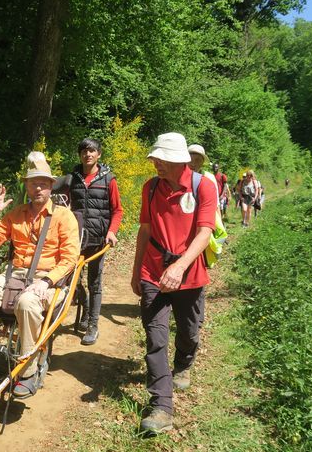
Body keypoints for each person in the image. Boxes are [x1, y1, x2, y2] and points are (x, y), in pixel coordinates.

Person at [0, 152, 80, 398]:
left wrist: (46, 281)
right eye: (33, 183)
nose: (38, 188)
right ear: (26, 186)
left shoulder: (63, 216)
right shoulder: (16, 214)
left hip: (49, 279)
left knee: (27, 302)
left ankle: (26, 370)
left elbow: (70, 259)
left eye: (43, 183)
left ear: (50, 186)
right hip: (13, 275)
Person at [131, 132, 216, 435]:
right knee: (155, 337)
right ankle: (162, 407)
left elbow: (205, 232)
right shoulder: (150, 188)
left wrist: (180, 266)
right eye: (155, 158)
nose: (156, 163)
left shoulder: (203, 186)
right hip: (153, 271)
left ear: (179, 161)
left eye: (162, 159)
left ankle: (184, 362)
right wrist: (136, 269)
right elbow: (145, 229)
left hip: (190, 274)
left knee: (189, 331)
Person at [68, 138, 123, 345]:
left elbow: (117, 210)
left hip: (99, 239)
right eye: (84, 151)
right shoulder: (72, 179)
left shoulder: (108, 179)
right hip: (74, 240)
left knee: (95, 282)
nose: (88, 154)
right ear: (80, 155)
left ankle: (92, 324)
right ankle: (86, 304)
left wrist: (112, 231)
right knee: (70, 282)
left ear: (99, 154)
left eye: (92, 151)